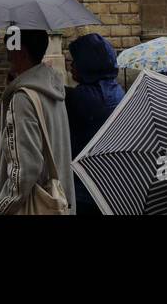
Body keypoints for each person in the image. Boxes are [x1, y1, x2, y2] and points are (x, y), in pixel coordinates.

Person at [0, 28, 75, 215]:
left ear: (21, 52)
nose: (8, 57)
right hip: (58, 200)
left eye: (10, 51)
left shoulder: (23, 99)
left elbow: (24, 171)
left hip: (31, 207)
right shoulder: (53, 88)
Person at [65, 34, 123, 215]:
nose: (70, 66)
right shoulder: (117, 89)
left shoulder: (85, 98)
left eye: (75, 61)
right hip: (112, 187)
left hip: (87, 192)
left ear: (88, 63)